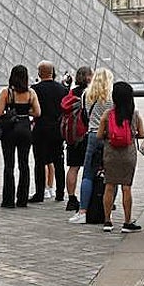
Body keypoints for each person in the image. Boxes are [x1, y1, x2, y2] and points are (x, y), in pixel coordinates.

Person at [98, 81, 144, 233]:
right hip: (128, 153)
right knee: (126, 188)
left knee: (109, 186)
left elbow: (99, 135)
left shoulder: (107, 114)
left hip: (111, 153)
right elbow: (142, 134)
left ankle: (107, 221)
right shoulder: (135, 114)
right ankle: (127, 222)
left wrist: (109, 135)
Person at [69, 68, 113, 223]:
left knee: (88, 173)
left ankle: (83, 211)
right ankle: (107, 211)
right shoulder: (111, 97)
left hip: (93, 135)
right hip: (109, 137)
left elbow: (85, 116)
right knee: (110, 175)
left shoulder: (85, 95)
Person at [0, 65, 40, 208]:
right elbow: (38, 113)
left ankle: (8, 200)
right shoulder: (31, 93)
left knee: (9, 165)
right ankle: (22, 198)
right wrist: (26, 113)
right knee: (24, 164)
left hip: (10, 130)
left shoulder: (6, 93)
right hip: (25, 129)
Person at [30, 61, 68, 202]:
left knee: (39, 162)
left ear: (40, 73)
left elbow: (33, 110)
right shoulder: (62, 89)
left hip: (40, 130)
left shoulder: (34, 89)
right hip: (57, 130)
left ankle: (39, 193)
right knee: (58, 162)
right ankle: (59, 193)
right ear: (53, 72)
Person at [63, 66, 93, 210]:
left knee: (73, 167)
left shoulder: (72, 93)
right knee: (90, 169)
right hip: (87, 135)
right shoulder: (91, 93)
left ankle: (71, 198)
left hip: (73, 136)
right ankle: (92, 197)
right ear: (88, 77)